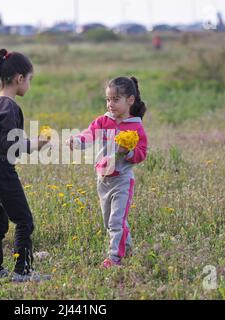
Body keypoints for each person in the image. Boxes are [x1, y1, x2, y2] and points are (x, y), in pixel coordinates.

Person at [0, 48, 49, 282]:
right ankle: (22, 271)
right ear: (20, 79)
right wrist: (36, 144)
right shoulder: (10, 107)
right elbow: (13, 145)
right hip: (0, 169)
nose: (29, 84)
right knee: (24, 220)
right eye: (29, 80)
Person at [68, 76, 148, 268]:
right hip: (103, 180)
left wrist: (127, 151)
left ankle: (114, 259)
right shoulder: (104, 121)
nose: (110, 104)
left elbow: (141, 154)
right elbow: (89, 133)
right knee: (109, 221)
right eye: (108, 99)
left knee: (116, 221)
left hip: (122, 180)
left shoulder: (136, 127)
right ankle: (127, 249)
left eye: (115, 99)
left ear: (130, 100)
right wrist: (77, 141)